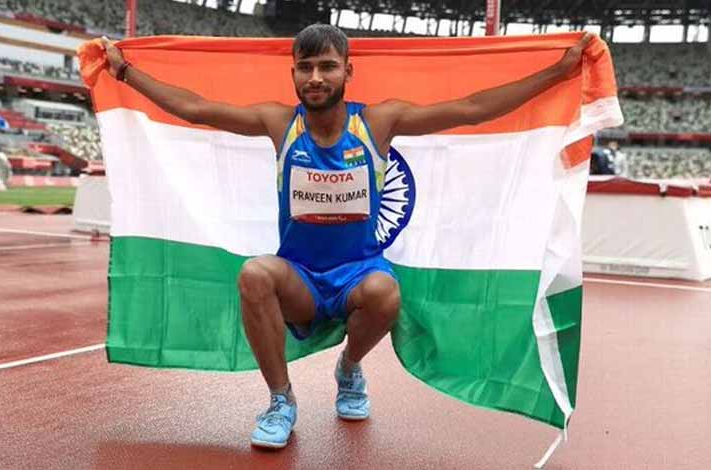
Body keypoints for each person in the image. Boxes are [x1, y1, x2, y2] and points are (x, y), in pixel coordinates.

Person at [100, 24, 592, 449]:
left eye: (328, 66)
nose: (316, 77)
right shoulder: (279, 123)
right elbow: (195, 108)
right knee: (254, 274)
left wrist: (557, 73)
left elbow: (471, 109)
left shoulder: (377, 123)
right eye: (306, 67)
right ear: (293, 73)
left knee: (385, 292)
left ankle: (350, 367)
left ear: (347, 72)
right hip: (301, 278)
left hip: (359, 273)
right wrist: (125, 73)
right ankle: (280, 401)